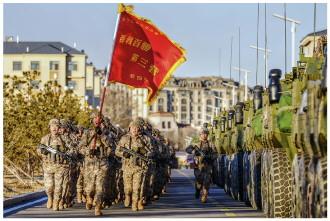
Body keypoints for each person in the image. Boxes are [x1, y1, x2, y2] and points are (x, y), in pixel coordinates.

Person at [115, 119, 154, 211]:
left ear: (139, 129)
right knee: (128, 188)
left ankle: (135, 203)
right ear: (130, 128)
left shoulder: (145, 139)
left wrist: (144, 153)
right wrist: (123, 154)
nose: (135, 130)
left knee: (137, 187)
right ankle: (128, 196)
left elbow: (152, 152)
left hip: (140, 167)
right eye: (133, 128)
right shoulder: (124, 138)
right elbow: (117, 151)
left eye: (136, 128)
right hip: (127, 167)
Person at [78, 114, 113, 216]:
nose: (97, 121)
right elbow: (80, 148)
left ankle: (97, 207)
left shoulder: (107, 134)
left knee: (100, 187)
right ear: (92, 121)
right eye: (95, 119)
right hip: (90, 164)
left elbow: (111, 147)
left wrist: (102, 135)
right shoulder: (87, 133)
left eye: (99, 119)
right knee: (89, 188)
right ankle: (89, 197)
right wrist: (88, 151)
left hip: (102, 164)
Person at [38, 119, 72, 211]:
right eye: (52, 126)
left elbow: (72, 149)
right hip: (48, 166)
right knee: (49, 187)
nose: (54, 128)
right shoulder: (45, 138)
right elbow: (39, 150)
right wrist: (43, 151)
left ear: (59, 128)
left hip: (60, 166)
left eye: (56, 126)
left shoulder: (64, 138)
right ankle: (50, 197)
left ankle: (56, 202)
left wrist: (67, 155)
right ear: (49, 127)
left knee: (58, 187)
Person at [188, 128, 217, 203]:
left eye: (206, 134)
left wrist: (209, 157)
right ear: (200, 135)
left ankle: (204, 195)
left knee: (207, 181)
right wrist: (194, 151)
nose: (204, 135)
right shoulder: (196, 144)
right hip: (198, 166)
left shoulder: (211, 144)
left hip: (207, 166)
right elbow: (188, 149)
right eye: (203, 134)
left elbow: (215, 154)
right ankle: (197, 190)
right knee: (199, 182)